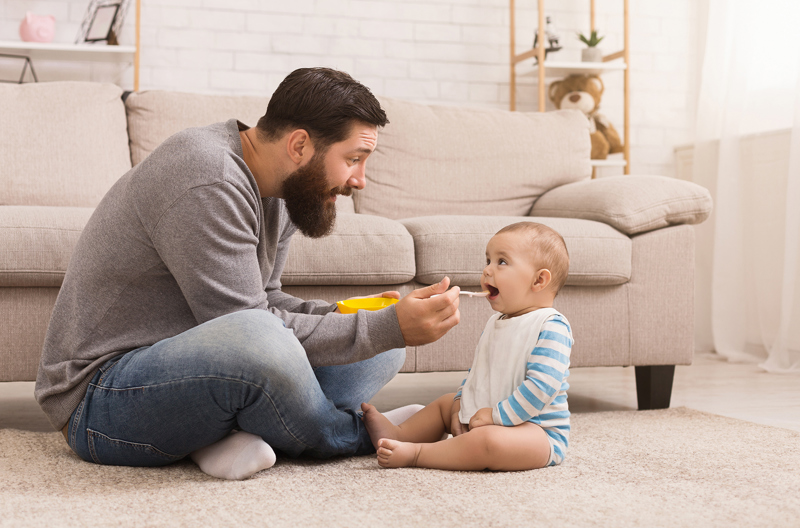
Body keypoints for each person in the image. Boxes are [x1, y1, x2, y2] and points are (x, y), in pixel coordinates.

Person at [35, 67, 461, 480]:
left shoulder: (283, 188)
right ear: (299, 146)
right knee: (274, 339)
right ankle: (361, 435)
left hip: (199, 370)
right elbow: (250, 329)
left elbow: (265, 300)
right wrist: (383, 328)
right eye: (353, 159)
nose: (360, 180)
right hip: (102, 398)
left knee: (383, 346)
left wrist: (356, 316)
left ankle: (219, 438)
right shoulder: (207, 176)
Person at [361, 222, 573, 471]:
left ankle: (418, 453)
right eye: (487, 260)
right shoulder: (496, 322)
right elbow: (479, 373)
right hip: (489, 415)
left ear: (539, 280)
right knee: (445, 403)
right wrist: (462, 401)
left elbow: (541, 389)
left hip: (537, 432)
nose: (487, 271)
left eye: (501, 262)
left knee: (489, 442)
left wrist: (496, 417)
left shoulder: (551, 326)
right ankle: (398, 433)